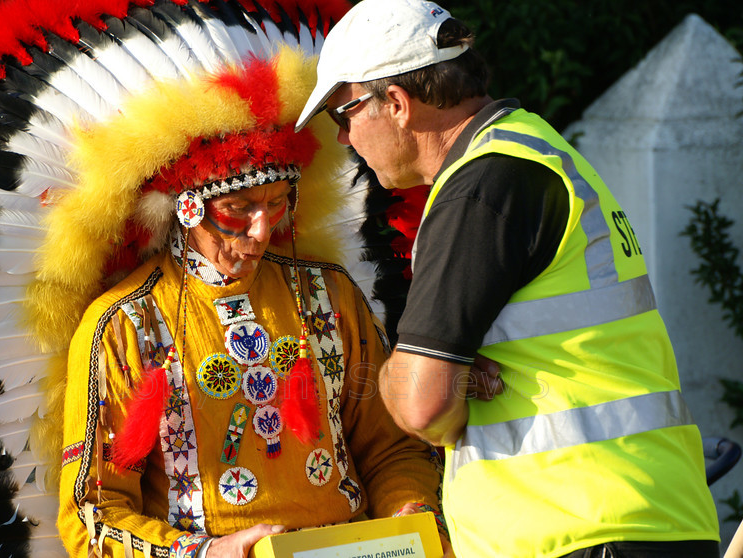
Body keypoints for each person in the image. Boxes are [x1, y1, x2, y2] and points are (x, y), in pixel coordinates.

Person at [295, 0, 721, 557]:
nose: (345, 139)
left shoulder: (481, 187)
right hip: (635, 516)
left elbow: (420, 403)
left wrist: (401, 377)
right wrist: (454, 372)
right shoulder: (533, 151)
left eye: (342, 112)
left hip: (581, 531)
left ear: (396, 103)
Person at [55, 4, 462, 556]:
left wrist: (407, 509)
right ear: (188, 209)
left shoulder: (329, 293)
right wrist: (208, 553)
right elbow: (92, 515)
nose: (262, 230)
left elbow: (391, 448)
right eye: (239, 209)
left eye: (276, 205)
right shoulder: (125, 324)